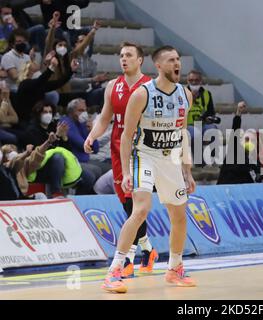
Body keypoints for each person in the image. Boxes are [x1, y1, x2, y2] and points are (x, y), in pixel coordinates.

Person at [101, 45, 196, 293]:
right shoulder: (142, 94)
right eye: (171, 60)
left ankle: (175, 268)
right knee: (140, 209)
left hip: (171, 159)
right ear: (158, 65)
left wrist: (187, 170)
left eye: (178, 59)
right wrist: (126, 172)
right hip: (144, 156)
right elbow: (126, 136)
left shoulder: (185, 94)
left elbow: (182, 133)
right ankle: (114, 271)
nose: (177, 64)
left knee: (179, 216)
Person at [84, 42, 157, 279]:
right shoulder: (112, 86)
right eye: (121, 55)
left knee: (135, 205)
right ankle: (148, 250)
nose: (123, 59)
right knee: (129, 206)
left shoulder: (150, 86)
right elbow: (105, 118)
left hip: (143, 151)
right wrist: (92, 135)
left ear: (140, 60)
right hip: (119, 151)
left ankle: (128, 257)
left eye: (129, 55)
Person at [217, 101, 261, 185]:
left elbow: (254, 168)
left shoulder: (248, 154)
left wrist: (259, 173)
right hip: (227, 184)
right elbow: (235, 128)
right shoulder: (233, 148)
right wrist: (238, 112)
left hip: (241, 184)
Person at [186, 69, 219, 163]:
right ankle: (199, 162)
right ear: (187, 81)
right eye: (191, 80)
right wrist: (190, 99)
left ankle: (213, 160)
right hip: (187, 125)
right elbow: (178, 111)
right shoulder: (182, 93)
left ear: (201, 81)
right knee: (195, 134)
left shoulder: (206, 94)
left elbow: (211, 112)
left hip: (202, 123)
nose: (193, 82)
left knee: (213, 130)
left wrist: (208, 118)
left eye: (196, 80)